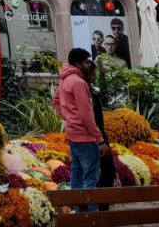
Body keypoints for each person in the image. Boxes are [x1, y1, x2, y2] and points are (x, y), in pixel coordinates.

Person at [53, 48, 103, 210]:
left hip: (73, 135)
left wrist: (67, 118)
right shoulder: (78, 82)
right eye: (86, 62)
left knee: (76, 177)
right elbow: (86, 115)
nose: (89, 64)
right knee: (90, 179)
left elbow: (56, 101)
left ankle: (78, 215)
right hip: (86, 137)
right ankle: (91, 219)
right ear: (77, 63)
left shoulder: (64, 79)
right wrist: (100, 139)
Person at [85, 59, 116, 208]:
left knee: (107, 171)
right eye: (93, 74)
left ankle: (102, 208)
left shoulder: (91, 91)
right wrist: (100, 140)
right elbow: (90, 119)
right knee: (105, 171)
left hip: (99, 135)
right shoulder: (85, 92)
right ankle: (99, 209)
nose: (96, 76)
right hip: (94, 138)